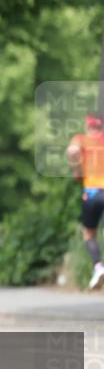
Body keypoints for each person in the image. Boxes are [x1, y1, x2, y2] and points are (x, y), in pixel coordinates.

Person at [68, 112, 104, 289]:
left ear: (88, 125)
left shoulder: (81, 138)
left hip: (91, 193)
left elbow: (72, 151)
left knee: (89, 233)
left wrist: (76, 171)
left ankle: (98, 267)